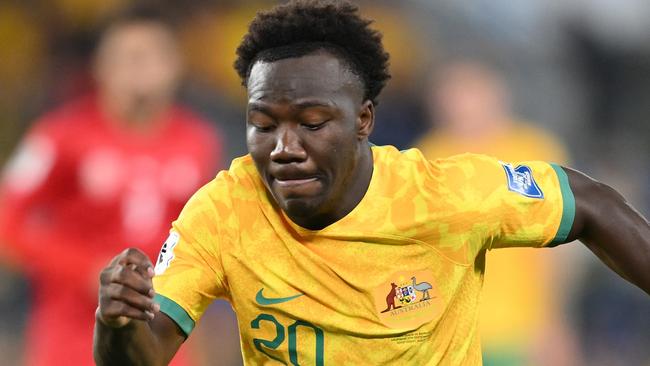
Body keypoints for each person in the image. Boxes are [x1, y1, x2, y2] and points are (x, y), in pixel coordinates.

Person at [93, 1, 650, 365]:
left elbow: (591, 203)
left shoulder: (441, 194)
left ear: (363, 121)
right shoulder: (222, 212)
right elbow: (144, 354)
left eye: (311, 124)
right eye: (263, 125)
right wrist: (117, 322)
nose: (284, 148)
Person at [0, 6, 223, 366]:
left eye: (150, 55)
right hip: (73, 339)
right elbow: (8, 222)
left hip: (160, 340)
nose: (140, 68)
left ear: (175, 65)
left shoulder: (199, 141)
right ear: (100, 67)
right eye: (127, 57)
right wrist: (84, 269)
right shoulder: (58, 135)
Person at [416, 60, 578, 365]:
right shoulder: (427, 156)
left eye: (470, 93)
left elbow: (554, 250)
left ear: (496, 95)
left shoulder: (532, 152)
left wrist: (554, 322)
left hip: (518, 329)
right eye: (450, 96)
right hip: (449, 330)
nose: (460, 105)